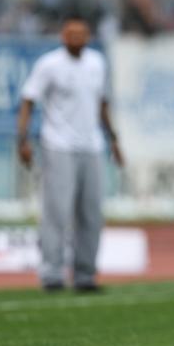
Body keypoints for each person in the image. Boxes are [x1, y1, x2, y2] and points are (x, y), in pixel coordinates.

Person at [17, 15, 124, 292]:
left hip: (92, 145)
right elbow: (28, 100)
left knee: (91, 213)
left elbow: (102, 104)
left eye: (81, 34)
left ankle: (85, 274)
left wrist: (113, 140)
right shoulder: (49, 64)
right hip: (58, 144)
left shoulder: (96, 63)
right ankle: (52, 272)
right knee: (57, 211)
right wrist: (23, 140)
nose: (76, 38)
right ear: (63, 37)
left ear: (87, 37)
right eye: (71, 34)